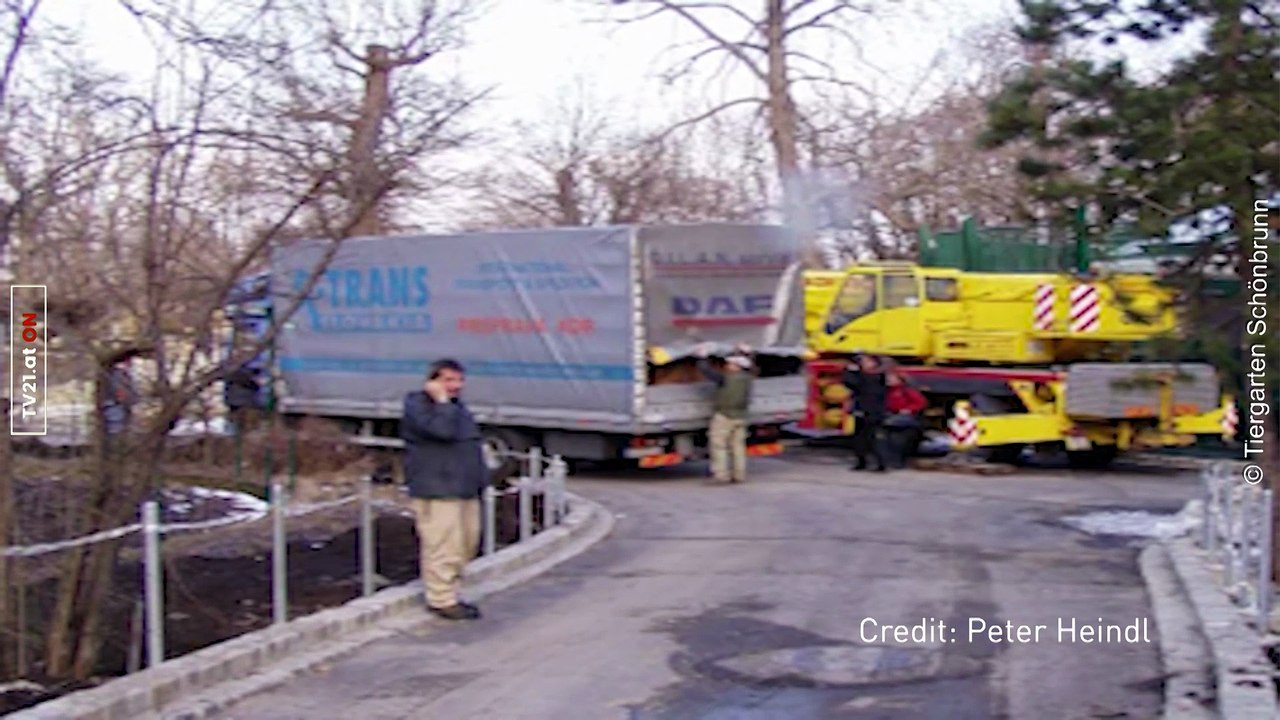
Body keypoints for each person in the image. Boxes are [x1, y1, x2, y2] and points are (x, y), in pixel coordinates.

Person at [400, 358, 488, 621]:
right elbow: (442, 431)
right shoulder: (419, 406)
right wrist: (441, 403)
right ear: (433, 381)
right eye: (448, 380)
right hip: (437, 488)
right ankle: (441, 599)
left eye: (459, 380)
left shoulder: (455, 408)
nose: (455, 386)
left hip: (464, 487)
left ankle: (451, 590)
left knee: (466, 543)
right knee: (443, 545)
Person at [696, 343, 754, 484]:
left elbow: (707, 371)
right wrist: (743, 351)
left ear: (736, 366)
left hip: (724, 416)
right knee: (737, 447)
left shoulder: (725, 379)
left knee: (719, 445)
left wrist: (702, 357)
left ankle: (721, 475)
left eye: (730, 364)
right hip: (741, 417)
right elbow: (750, 362)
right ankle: (739, 475)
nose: (727, 366)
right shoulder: (748, 378)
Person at [843, 353, 887, 471]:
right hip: (862, 410)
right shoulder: (867, 376)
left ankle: (880, 463)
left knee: (872, 437)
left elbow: (854, 384)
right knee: (859, 438)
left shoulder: (875, 377)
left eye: (866, 361)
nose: (862, 364)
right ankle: (862, 461)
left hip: (872, 411)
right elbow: (849, 384)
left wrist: (851, 372)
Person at [883, 369, 927, 468]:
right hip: (891, 415)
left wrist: (907, 410)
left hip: (904, 418)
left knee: (899, 440)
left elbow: (920, 403)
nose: (888, 380)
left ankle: (898, 461)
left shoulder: (906, 390)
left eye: (891, 378)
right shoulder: (886, 390)